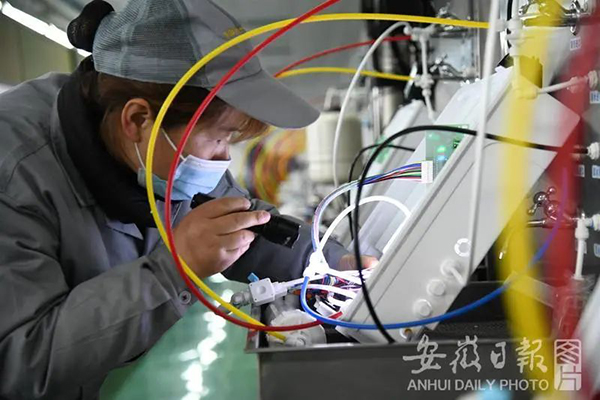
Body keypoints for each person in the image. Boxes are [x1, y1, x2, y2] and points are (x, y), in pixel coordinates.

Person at [0, 0, 376, 398]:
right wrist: (174, 270)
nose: (223, 159)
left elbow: (242, 226)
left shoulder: (163, 151)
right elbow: (20, 360)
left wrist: (332, 263)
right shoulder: (15, 172)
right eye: (219, 138)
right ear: (137, 120)